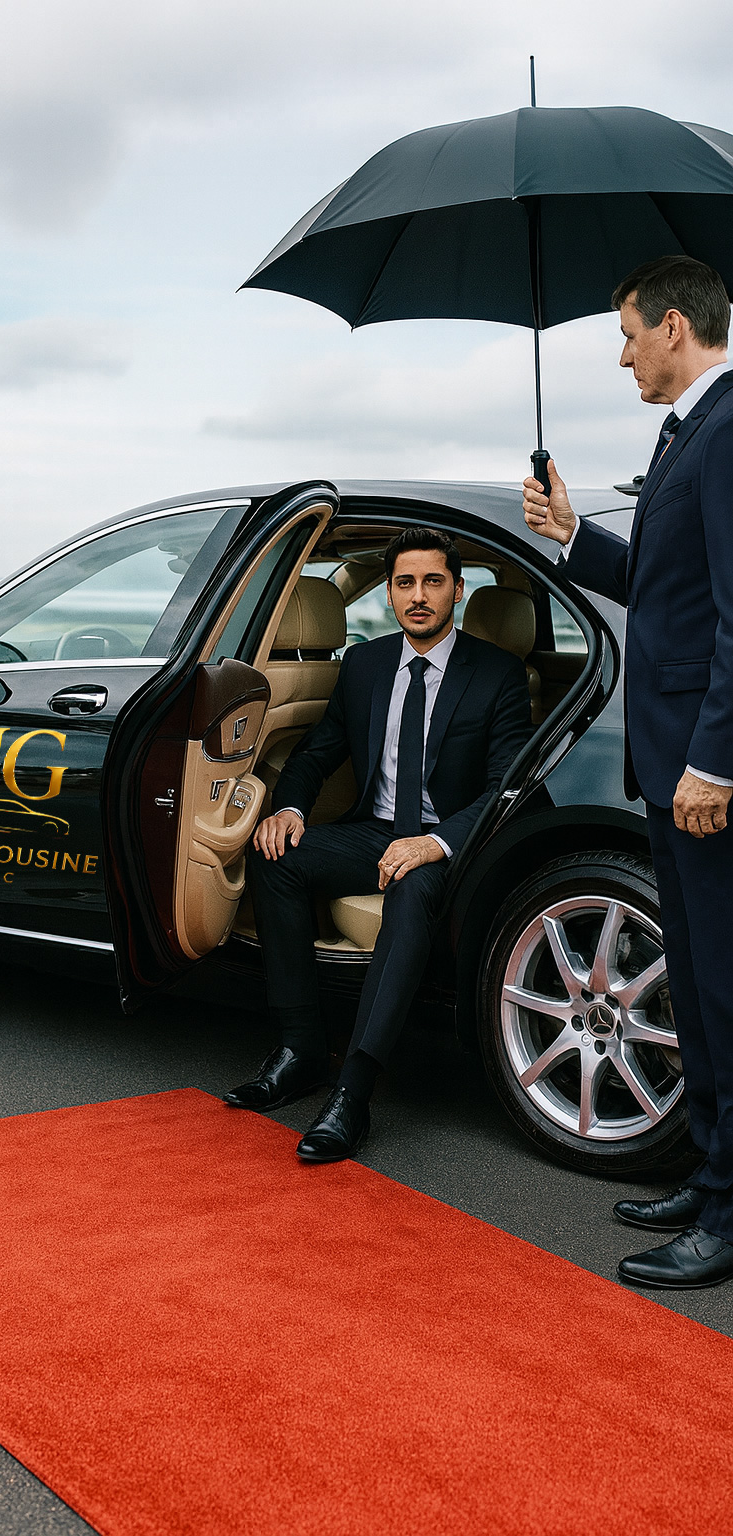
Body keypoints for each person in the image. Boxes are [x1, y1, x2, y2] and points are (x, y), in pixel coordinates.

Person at [522, 254, 733, 1290]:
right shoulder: (681, 432)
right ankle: (710, 1170)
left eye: (628, 335)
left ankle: (728, 1214)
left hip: (700, 773)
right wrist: (571, 537)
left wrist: (713, 762)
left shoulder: (729, 431)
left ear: (676, 328)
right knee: (693, 989)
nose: (620, 355)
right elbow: (659, 587)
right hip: (665, 762)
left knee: (725, 991)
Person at [222, 527, 531, 1162]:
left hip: (455, 845)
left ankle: (353, 1093)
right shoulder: (364, 665)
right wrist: (287, 807)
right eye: (405, 583)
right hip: (377, 830)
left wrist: (434, 843)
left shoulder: (497, 674)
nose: (419, 596)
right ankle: (301, 1048)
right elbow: (318, 752)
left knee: (415, 888)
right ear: (390, 594)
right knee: (275, 857)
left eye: (433, 582)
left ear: (458, 591)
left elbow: (506, 789)